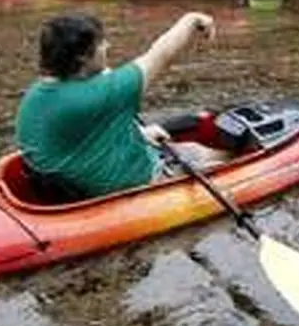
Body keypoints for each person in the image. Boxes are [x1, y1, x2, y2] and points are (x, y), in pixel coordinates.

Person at [14, 11, 232, 200]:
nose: (107, 46)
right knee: (224, 160)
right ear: (81, 57)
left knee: (194, 148)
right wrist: (192, 19)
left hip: (78, 178)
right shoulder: (102, 93)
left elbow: (85, 135)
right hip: (139, 182)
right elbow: (161, 54)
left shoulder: (36, 94)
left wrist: (139, 134)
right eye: (101, 43)